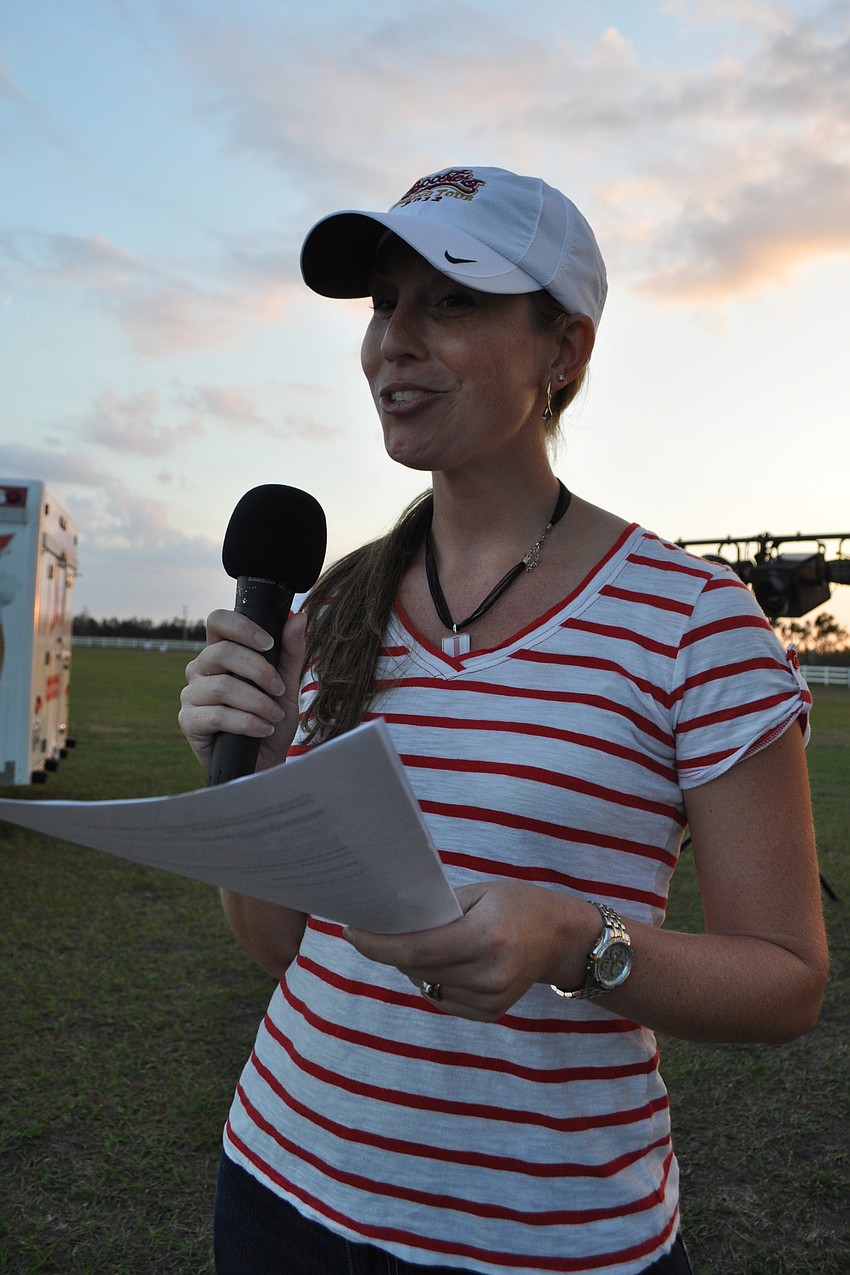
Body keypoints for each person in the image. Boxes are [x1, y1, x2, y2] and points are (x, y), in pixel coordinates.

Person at [179, 166, 829, 1275]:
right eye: (385, 302)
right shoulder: (337, 603)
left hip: (544, 1238)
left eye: (453, 302)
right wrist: (248, 785)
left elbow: (785, 982)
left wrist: (577, 941)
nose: (394, 341)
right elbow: (282, 948)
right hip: (277, 1185)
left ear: (563, 352)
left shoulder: (692, 622)